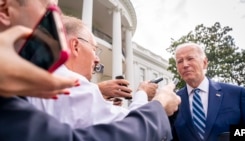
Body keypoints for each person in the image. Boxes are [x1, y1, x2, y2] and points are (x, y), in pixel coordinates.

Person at [0, 0, 181, 140]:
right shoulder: (67, 83)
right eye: (45, 5)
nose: (56, 13)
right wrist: (159, 103)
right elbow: (129, 129)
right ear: (5, 9)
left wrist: (98, 91)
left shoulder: (19, 84)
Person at [28, 15, 159, 128]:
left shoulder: (37, 76)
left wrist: (102, 103)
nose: (97, 59)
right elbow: (134, 127)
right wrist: (143, 93)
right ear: (75, 46)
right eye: (94, 50)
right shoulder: (73, 84)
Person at [170, 42, 245, 141]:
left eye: (190, 58)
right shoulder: (173, 101)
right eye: (180, 61)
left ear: (204, 63)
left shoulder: (237, 94)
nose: (185, 65)